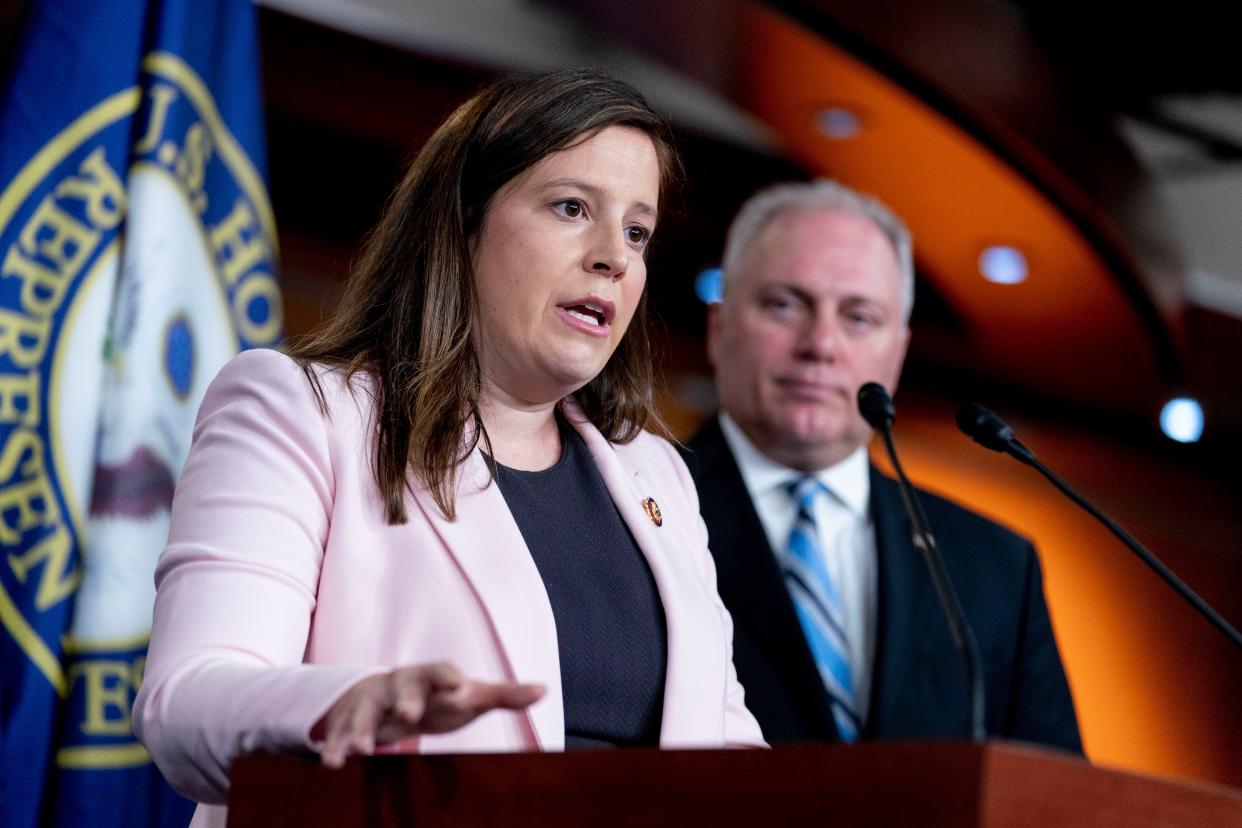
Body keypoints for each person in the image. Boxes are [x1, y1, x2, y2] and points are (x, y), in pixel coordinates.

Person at [134, 69, 764, 825]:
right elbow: (186, 702)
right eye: (572, 208)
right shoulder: (300, 412)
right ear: (463, 222)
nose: (614, 257)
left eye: (637, 231)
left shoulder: (657, 475)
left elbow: (729, 752)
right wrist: (344, 704)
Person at [682, 179, 1081, 750]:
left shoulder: (994, 568)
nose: (820, 344)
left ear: (897, 350)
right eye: (784, 304)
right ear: (719, 327)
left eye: (859, 317)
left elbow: (1058, 796)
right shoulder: (634, 511)